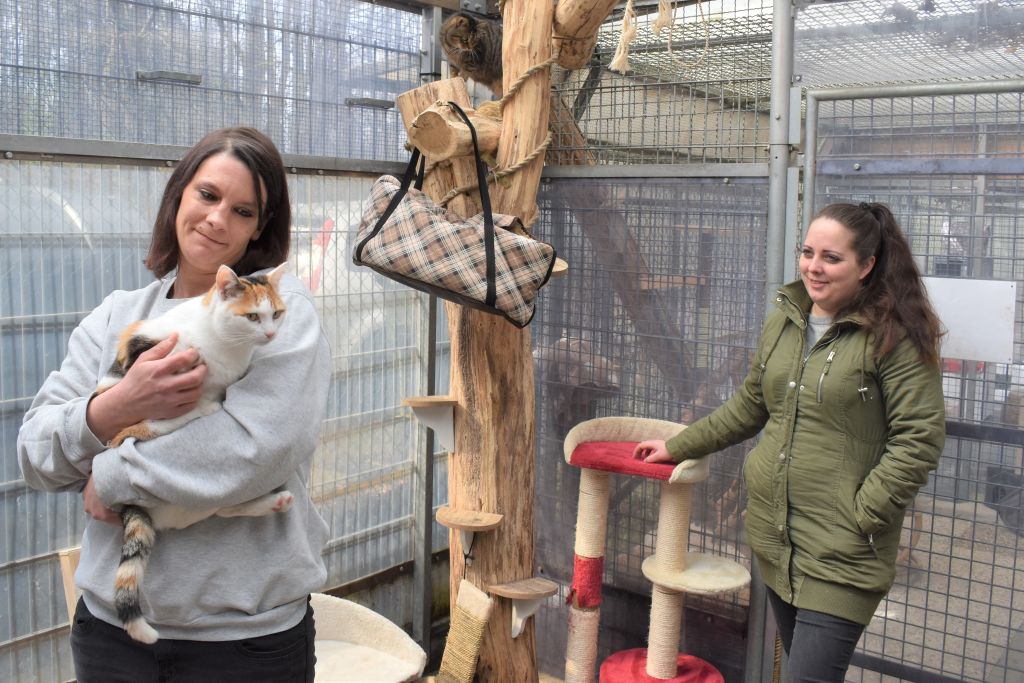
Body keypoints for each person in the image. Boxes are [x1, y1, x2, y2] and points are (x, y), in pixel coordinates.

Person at [18, 127, 330, 682]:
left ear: (260, 227)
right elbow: (37, 455)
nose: (217, 219)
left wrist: (110, 475)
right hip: (111, 634)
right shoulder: (119, 315)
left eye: (242, 210)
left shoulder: (282, 314)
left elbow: (256, 449)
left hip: (246, 639)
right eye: (207, 196)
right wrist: (116, 405)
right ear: (179, 195)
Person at [634, 202, 945, 682]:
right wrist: (682, 444)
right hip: (776, 537)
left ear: (867, 266)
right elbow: (751, 404)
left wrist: (862, 513)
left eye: (831, 258)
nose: (813, 267)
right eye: (807, 252)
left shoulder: (893, 337)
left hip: (843, 551)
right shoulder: (787, 318)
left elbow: (918, 438)